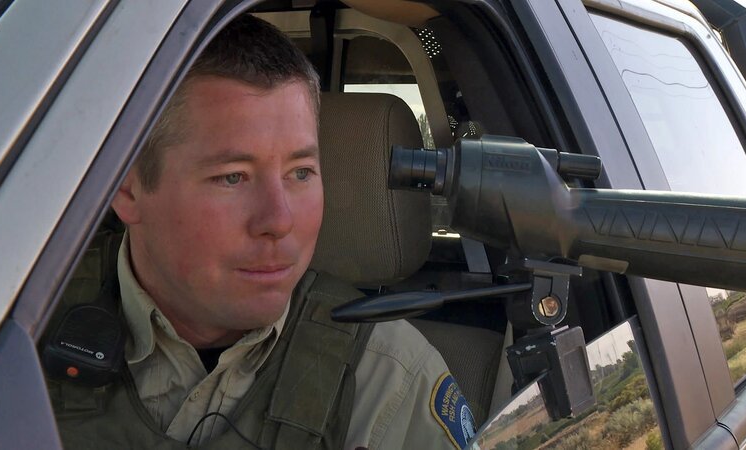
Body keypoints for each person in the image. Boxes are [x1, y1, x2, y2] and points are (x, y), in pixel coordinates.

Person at [48, 14, 476, 450]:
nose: (279, 220)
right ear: (128, 189)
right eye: (233, 177)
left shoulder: (386, 378)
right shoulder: (9, 332)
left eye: (301, 172)